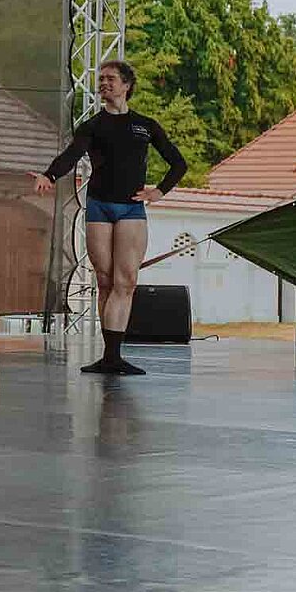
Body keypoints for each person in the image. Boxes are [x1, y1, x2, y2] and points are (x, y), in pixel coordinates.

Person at [32, 59, 186, 375]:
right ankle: (109, 356)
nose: (103, 83)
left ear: (126, 85)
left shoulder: (145, 125)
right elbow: (71, 155)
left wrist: (160, 191)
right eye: (101, 78)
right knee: (104, 281)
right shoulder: (92, 126)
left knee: (125, 281)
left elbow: (178, 163)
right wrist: (49, 174)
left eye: (110, 78)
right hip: (99, 207)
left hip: (131, 209)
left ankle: (115, 356)